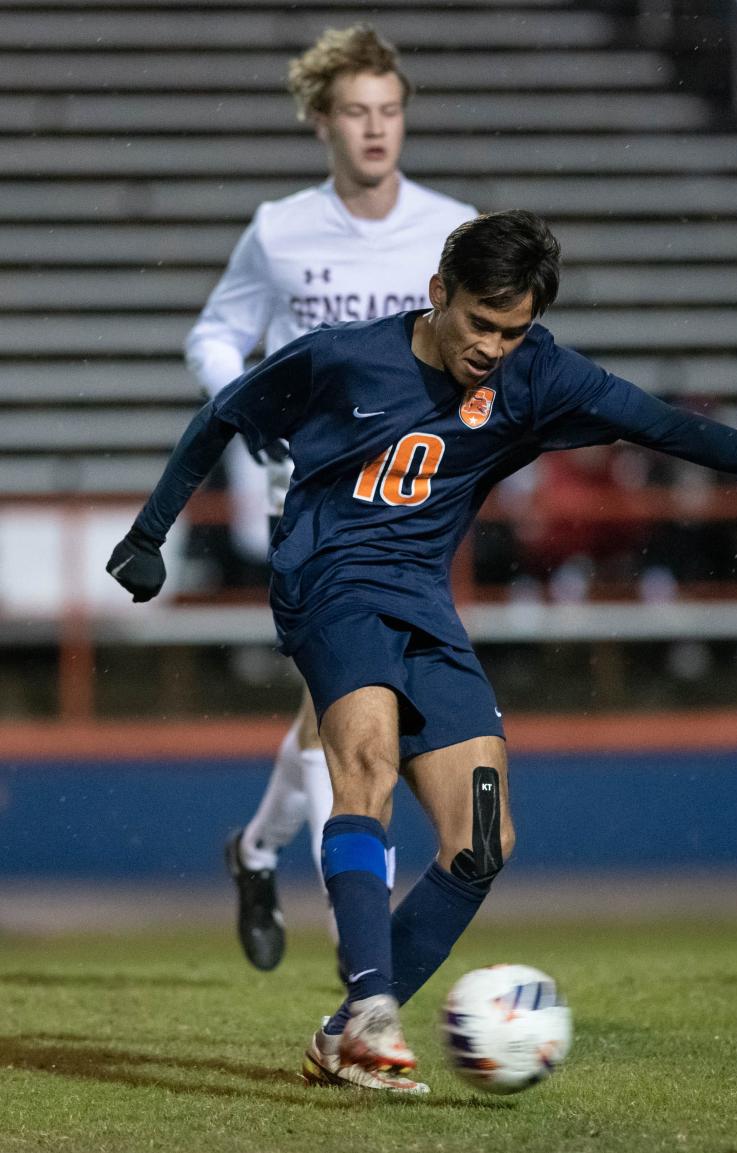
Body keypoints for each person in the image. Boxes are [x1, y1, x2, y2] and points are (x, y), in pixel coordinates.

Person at [107, 210, 737, 1094]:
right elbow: (220, 415)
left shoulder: (537, 375)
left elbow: (668, 427)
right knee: (365, 763)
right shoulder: (342, 356)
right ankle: (371, 1009)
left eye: (513, 331)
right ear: (439, 293)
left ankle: (340, 1033)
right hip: (329, 578)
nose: (493, 347)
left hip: (423, 600)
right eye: (480, 322)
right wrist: (147, 535)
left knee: (482, 842)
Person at [183, 23, 476, 973]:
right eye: (356, 112)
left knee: (332, 710)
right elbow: (215, 335)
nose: (377, 129)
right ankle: (361, 947)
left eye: (390, 111)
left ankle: (255, 848)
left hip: (415, 510)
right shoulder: (280, 230)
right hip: (311, 507)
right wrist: (244, 402)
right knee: (350, 704)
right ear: (322, 121)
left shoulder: (453, 229)